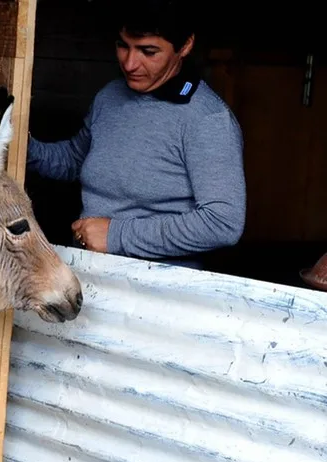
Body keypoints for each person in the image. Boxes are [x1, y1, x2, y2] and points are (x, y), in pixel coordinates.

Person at [27, 0, 246, 266]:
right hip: (89, 273)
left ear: (185, 46)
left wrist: (116, 235)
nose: (130, 63)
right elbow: (76, 160)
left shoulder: (207, 120)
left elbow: (223, 223)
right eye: (123, 46)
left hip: (159, 289)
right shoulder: (110, 96)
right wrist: (20, 146)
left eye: (148, 51)